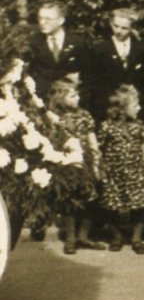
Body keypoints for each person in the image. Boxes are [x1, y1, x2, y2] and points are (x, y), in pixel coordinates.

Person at [48, 79, 105, 254]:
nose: (78, 98)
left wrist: (96, 161)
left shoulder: (85, 115)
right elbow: (51, 139)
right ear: (61, 98)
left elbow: (92, 139)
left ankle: (83, 236)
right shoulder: (55, 117)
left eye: (77, 95)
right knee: (69, 199)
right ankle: (71, 238)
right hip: (67, 162)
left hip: (86, 161)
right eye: (73, 96)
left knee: (90, 197)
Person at [98, 85, 144, 254]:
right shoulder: (107, 126)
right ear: (123, 108)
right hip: (113, 173)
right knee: (112, 204)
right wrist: (101, 169)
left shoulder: (139, 125)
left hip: (135, 171)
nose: (139, 108)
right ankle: (116, 236)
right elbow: (100, 149)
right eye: (135, 105)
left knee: (139, 204)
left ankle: (136, 238)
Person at [90, 8, 144, 127]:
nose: (118, 31)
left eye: (124, 28)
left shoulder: (140, 48)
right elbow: (94, 83)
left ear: (131, 28)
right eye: (116, 26)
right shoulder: (100, 49)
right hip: (109, 107)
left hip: (135, 107)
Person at [25, 0, 91, 105]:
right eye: (40, 18)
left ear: (61, 20)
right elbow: (27, 71)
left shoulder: (78, 42)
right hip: (41, 99)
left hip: (70, 99)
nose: (42, 22)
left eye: (48, 19)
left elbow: (87, 73)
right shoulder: (32, 41)